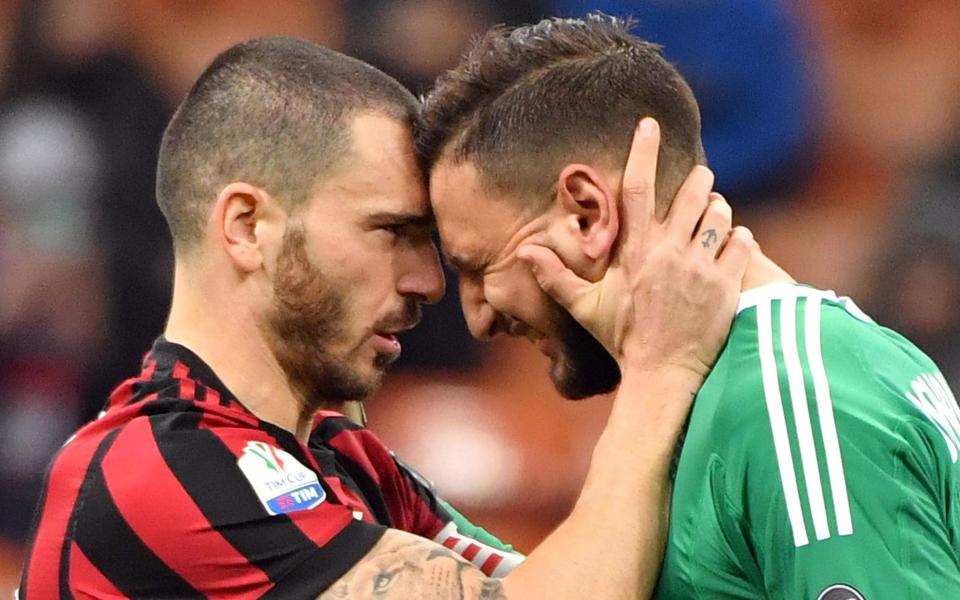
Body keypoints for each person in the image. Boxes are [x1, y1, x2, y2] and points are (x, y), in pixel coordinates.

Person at [19, 37, 751, 598]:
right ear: (246, 226)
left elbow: (557, 579)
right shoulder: (152, 473)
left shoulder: (349, 460)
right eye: (390, 232)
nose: (428, 281)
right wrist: (660, 370)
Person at [419, 14, 960, 599]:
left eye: (478, 267)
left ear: (587, 213)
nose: (476, 316)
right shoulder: (722, 385)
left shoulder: (794, 397)